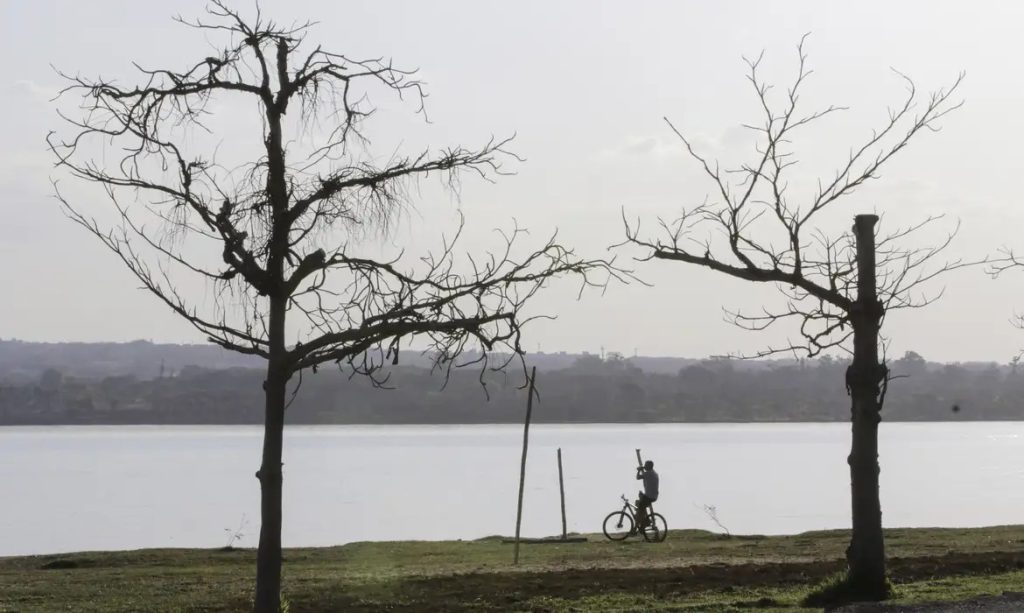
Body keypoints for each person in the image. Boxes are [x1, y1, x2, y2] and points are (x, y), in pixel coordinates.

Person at [635, 459, 659, 529]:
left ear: (649, 466)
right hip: (652, 495)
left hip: (649, 496)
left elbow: (638, 477)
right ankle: (646, 520)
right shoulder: (653, 473)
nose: (644, 466)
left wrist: (639, 470)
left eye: (646, 465)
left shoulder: (648, 473)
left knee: (640, 510)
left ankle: (639, 525)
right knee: (638, 503)